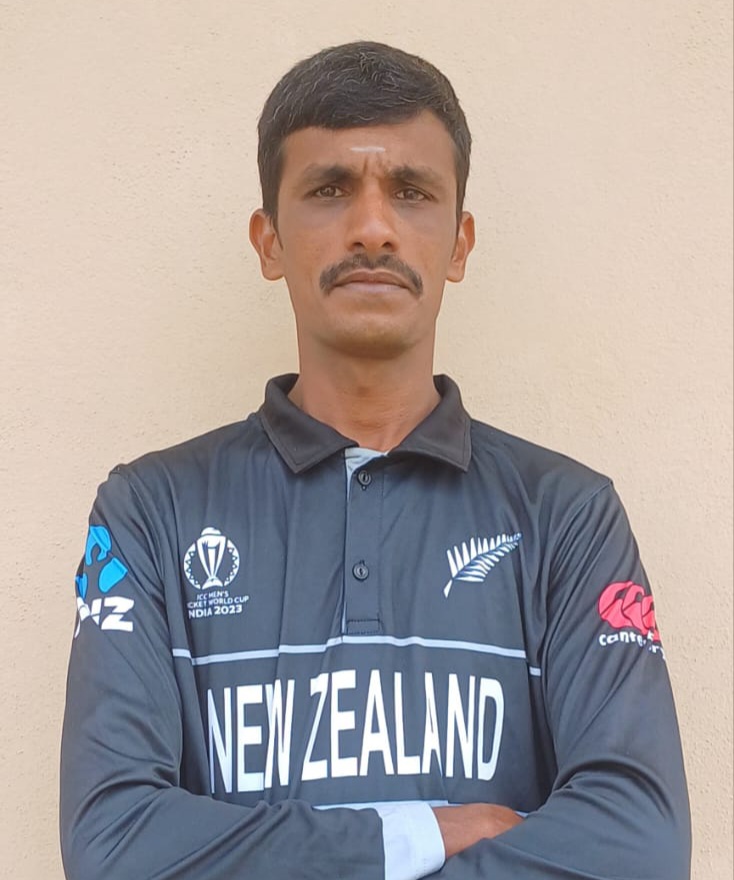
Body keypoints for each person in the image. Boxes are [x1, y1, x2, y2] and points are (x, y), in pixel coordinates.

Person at [60, 41, 691, 880]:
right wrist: (412, 836)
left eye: (411, 191)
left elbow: (638, 844)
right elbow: (113, 845)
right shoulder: (150, 512)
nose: (371, 227)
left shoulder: (567, 515)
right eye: (328, 190)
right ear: (270, 240)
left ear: (459, 244)